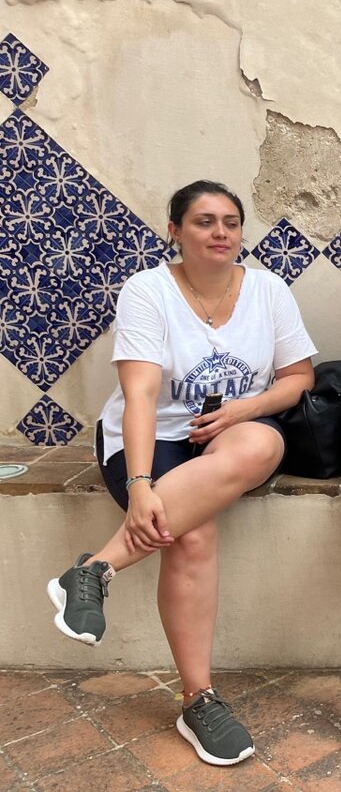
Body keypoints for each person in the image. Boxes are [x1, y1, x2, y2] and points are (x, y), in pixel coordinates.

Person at [47, 180, 317, 766]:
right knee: (190, 535)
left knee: (259, 446)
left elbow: (299, 378)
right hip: (151, 438)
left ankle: (94, 569)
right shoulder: (148, 291)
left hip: (232, 433)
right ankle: (199, 700)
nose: (220, 233)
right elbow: (141, 395)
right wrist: (140, 484)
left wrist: (242, 409)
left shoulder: (268, 290)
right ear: (174, 230)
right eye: (204, 221)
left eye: (230, 222)